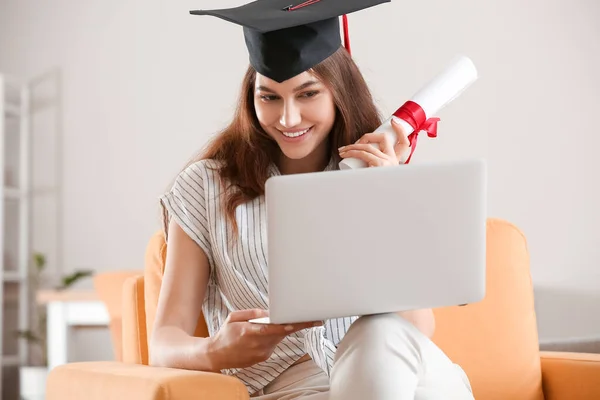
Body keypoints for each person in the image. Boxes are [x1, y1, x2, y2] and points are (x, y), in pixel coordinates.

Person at [150, 0, 475, 398]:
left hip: (414, 375)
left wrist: (387, 201)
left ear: (338, 91)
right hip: (296, 386)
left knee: (380, 332)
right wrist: (215, 350)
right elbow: (164, 341)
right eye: (269, 97)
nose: (288, 119)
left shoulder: (374, 173)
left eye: (307, 94)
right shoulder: (207, 186)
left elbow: (417, 329)